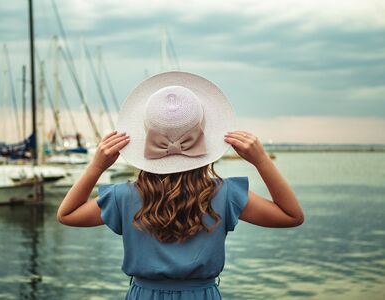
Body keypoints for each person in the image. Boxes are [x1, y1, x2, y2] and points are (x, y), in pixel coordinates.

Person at [57, 71, 304, 299]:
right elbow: (291, 216)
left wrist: (97, 166)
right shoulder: (225, 194)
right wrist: (261, 161)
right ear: (204, 137)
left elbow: (67, 214)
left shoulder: (124, 197)